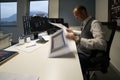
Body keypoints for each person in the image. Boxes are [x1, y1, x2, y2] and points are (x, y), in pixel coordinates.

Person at [66, 5, 107, 79]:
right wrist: (73, 31)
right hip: (81, 51)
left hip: (87, 56)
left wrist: (78, 39)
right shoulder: (85, 22)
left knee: (68, 62)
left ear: (83, 12)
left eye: (77, 15)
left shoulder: (95, 23)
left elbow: (102, 43)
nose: (76, 17)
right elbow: (84, 33)